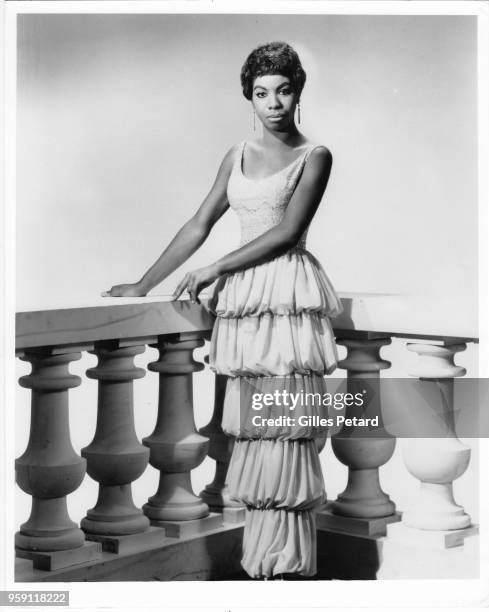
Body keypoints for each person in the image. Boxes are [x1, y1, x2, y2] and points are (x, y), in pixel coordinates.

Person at [102, 41, 343, 580]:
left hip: (285, 295)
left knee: (285, 427)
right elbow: (198, 223)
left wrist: (215, 269)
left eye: (283, 90)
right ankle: (263, 561)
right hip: (244, 303)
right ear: (249, 99)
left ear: (298, 92)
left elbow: (286, 232)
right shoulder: (235, 154)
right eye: (262, 93)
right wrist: (143, 284)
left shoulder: (316, 155)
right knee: (255, 432)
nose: (274, 102)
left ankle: (288, 565)